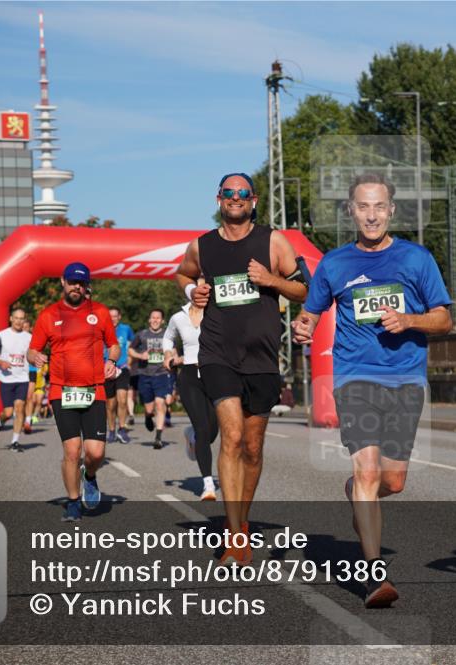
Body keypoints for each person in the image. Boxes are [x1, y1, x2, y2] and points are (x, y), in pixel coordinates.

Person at [293, 173, 453, 608]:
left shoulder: (416, 259)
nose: (371, 214)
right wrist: (303, 326)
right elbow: (310, 313)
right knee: (367, 471)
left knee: (393, 481)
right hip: (355, 376)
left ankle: (359, 492)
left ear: (391, 210)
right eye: (363, 206)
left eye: (379, 206)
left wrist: (410, 321)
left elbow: (444, 319)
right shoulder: (334, 263)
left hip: (405, 377)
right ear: (350, 211)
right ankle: (374, 575)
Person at [176, 172, 307, 565]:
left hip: (263, 358)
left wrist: (271, 280)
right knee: (231, 438)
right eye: (228, 193)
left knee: (252, 447)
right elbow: (183, 273)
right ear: (219, 199)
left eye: (242, 194)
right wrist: (191, 291)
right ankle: (235, 536)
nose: (235, 198)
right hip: (216, 353)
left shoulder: (273, 241)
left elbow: (303, 288)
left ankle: (243, 520)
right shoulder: (202, 245)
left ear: (253, 201)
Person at [28, 262, 119, 522]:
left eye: (81, 283)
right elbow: (32, 349)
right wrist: (34, 357)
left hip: (94, 390)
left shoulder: (99, 312)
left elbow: (113, 345)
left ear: (86, 285)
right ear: (63, 282)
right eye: (72, 282)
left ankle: (89, 476)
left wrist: (111, 361)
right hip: (61, 390)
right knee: (72, 450)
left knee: (96, 453)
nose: (76, 287)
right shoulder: (48, 315)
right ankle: (72, 502)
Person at [164, 297, 219, 501]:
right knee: (203, 430)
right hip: (189, 376)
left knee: (213, 432)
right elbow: (168, 338)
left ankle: (192, 437)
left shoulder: (218, 313)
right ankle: (208, 485)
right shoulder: (178, 317)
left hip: (215, 375)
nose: (204, 290)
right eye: (199, 286)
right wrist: (168, 354)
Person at [0, 307, 33, 450]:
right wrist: (1, 362)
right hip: (6, 379)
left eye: (22, 318)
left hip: (22, 378)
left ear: (24, 320)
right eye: (16, 318)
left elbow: (32, 354)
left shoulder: (29, 337)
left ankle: (14, 442)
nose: (19, 321)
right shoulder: (1, 335)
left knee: (19, 408)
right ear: (11, 319)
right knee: (7, 412)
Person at [129, 309, 174, 449]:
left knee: (160, 404)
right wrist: (140, 356)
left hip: (161, 374)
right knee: (149, 408)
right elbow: (130, 349)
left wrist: (173, 358)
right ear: (149, 320)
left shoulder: (168, 335)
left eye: (158, 318)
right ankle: (148, 417)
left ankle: (158, 437)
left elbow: (174, 350)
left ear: (162, 321)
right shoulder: (142, 335)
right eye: (153, 317)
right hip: (145, 374)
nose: (155, 320)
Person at [104, 306, 134, 443]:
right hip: (107, 370)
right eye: (110, 316)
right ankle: (111, 430)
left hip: (122, 368)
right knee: (110, 404)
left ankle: (122, 429)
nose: (112, 319)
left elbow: (133, 345)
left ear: (119, 317)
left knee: (122, 400)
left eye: (115, 316)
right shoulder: (102, 329)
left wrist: (130, 359)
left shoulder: (126, 329)